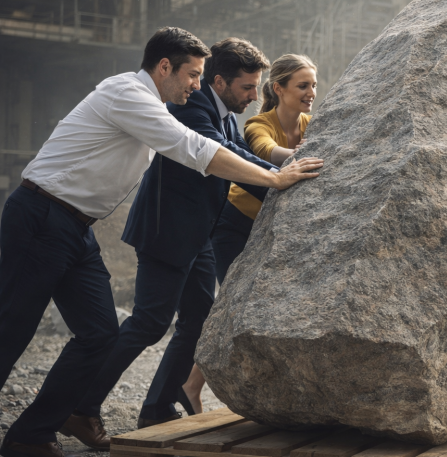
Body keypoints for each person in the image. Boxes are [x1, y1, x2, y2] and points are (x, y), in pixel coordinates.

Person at [0, 27, 322, 457]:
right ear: (164, 67)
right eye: (192, 74)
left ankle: (32, 433)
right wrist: (274, 178)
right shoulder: (128, 95)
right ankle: (54, 423)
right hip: (42, 215)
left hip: (77, 227)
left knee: (99, 333)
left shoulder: (160, 105)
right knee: (13, 326)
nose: (197, 84)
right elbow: (194, 147)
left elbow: (207, 143)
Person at [60, 38, 285, 448]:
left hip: (197, 234)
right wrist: (278, 181)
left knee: (200, 319)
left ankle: (158, 406)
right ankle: (81, 408)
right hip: (167, 231)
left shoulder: (225, 114)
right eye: (248, 88)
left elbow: (231, 153)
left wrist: (279, 189)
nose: (256, 96)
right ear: (220, 81)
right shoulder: (191, 107)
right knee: (149, 322)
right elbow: (222, 154)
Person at [179, 54, 318, 415]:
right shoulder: (259, 123)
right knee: (234, 308)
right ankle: (191, 387)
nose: (311, 93)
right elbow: (267, 152)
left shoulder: (311, 123)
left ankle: (191, 385)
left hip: (274, 229)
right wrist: (298, 157)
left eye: (314, 85)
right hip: (235, 226)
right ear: (280, 89)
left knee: (254, 309)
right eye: (303, 86)